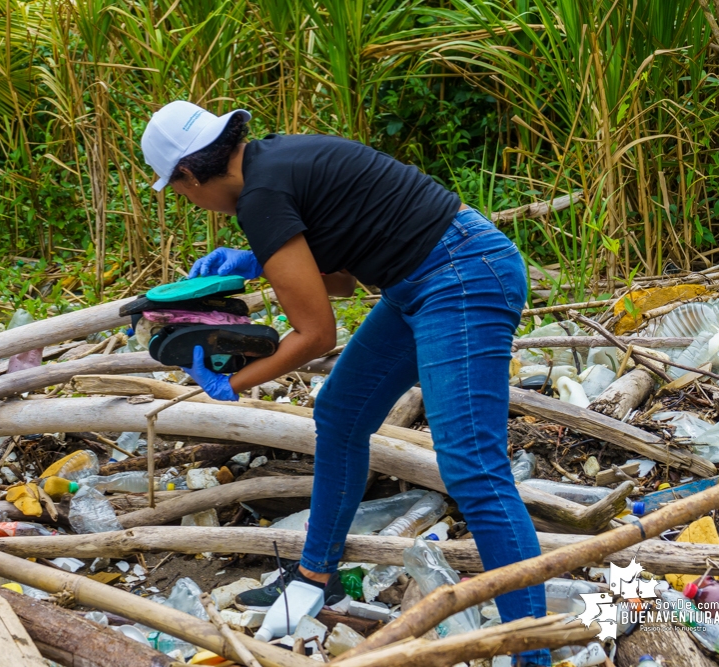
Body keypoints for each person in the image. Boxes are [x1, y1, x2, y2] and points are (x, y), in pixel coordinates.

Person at [140, 100, 549, 666]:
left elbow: (315, 336)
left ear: (188, 173)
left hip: (462, 275)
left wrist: (234, 383)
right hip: (422, 283)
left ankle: (535, 654)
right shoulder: (272, 163)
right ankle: (316, 578)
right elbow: (342, 284)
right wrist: (257, 262)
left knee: (473, 468)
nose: (190, 201)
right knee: (339, 412)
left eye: (180, 191)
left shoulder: (260, 196)